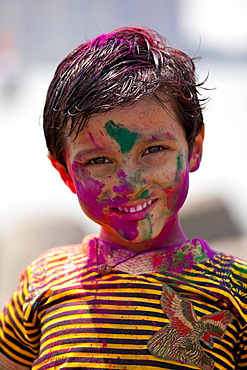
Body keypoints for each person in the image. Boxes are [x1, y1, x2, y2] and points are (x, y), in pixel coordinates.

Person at [0, 26, 246, 370]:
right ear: (65, 172)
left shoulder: (236, 291)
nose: (129, 183)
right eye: (98, 161)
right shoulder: (44, 280)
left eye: (155, 150)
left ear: (194, 149)